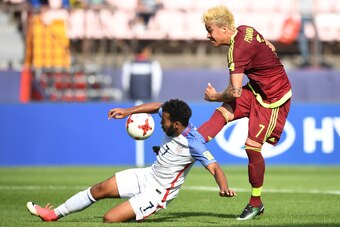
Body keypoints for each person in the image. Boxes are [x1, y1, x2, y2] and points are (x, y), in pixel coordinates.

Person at [26, 99, 236, 223]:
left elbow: (215, 167)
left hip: (157, 193)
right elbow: (158, 106)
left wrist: (223, 187)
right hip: (147, 175)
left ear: (177, 124)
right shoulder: (173, 121)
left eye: (164, 120)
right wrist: (127, 111)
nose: (160, 122)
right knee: (99, 188)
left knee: (109, 219)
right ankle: (52, 215)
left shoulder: (194, 142)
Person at [198, 6, 292, 221]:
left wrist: (214, 96)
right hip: (258, 89)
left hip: (273, 99)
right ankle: (190, 143)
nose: (207, 35)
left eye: (210, 30)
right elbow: (271, 46)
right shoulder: (246, 29)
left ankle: (256, 202)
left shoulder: (236, 51)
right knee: (223, 112)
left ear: (223, 29)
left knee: (252, 147)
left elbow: (235, 91)